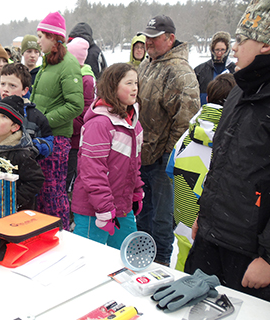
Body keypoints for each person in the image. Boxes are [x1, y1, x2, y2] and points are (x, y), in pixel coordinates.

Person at [185, 0, 270, 304]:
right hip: (211, 238)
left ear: (265, 44)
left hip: (250, 253)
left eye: (241, 39)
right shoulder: (239, 90)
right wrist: (203, 213)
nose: (234, 47)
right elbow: (221, 162)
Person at [136, 15, 200, 266]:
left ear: (170, 38)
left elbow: (185, 121)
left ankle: (161, 264)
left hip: (164, 159)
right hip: (142, 153)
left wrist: (168, 156)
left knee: (162, 219)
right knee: (142, 213)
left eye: (154, 37)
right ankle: (140, 258)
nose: (148, 42)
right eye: (147, 37)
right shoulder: (147, 64)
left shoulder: (180, 72)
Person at [166, 73, 235, 271]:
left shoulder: (189, 133)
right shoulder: (233, 136)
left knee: (182, 265)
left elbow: (170, 168)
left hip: (183, 215)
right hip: (213, 225)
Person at [72, 63, 144, 249]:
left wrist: (136, 193)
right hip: (93, 209)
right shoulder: (100, 124)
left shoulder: (133, 122)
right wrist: (103, 208)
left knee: (123, 260)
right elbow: (92, 172)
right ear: (113, 87)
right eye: (129, 83)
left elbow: (134, 165)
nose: (135, 88)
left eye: (136, 82)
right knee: (87, 261)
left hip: (121, 205)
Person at [30, 11, 84, 230]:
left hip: (57, 140)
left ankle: (60, 234)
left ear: (53, 38)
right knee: (42, 191)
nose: (38, 40)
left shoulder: (68, 64)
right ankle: (44, 235)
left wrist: (44, 120)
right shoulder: (49, 62)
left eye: (42, 36)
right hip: (42, 137)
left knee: (53, 192)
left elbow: (75, 105)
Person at [0, 95, 45, 211]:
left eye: (3, 117)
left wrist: (12, 200)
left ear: (15, 127)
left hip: (11, 212)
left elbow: (36, 180)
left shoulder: (21, 152)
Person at [65, 37, 96, 200]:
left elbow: (84, 113)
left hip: (75, 141)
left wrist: (67, 125)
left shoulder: (86, 80)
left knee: (71, 178)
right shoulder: (75, 75)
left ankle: (70, 211)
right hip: (70, 139)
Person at [194, 31, 236, 105]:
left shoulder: (235, 70)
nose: (219, 53)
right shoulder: (200, 70)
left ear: (227, 50)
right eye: (217, 50)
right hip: (205, 112)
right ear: (212, 49)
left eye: (222, 50)